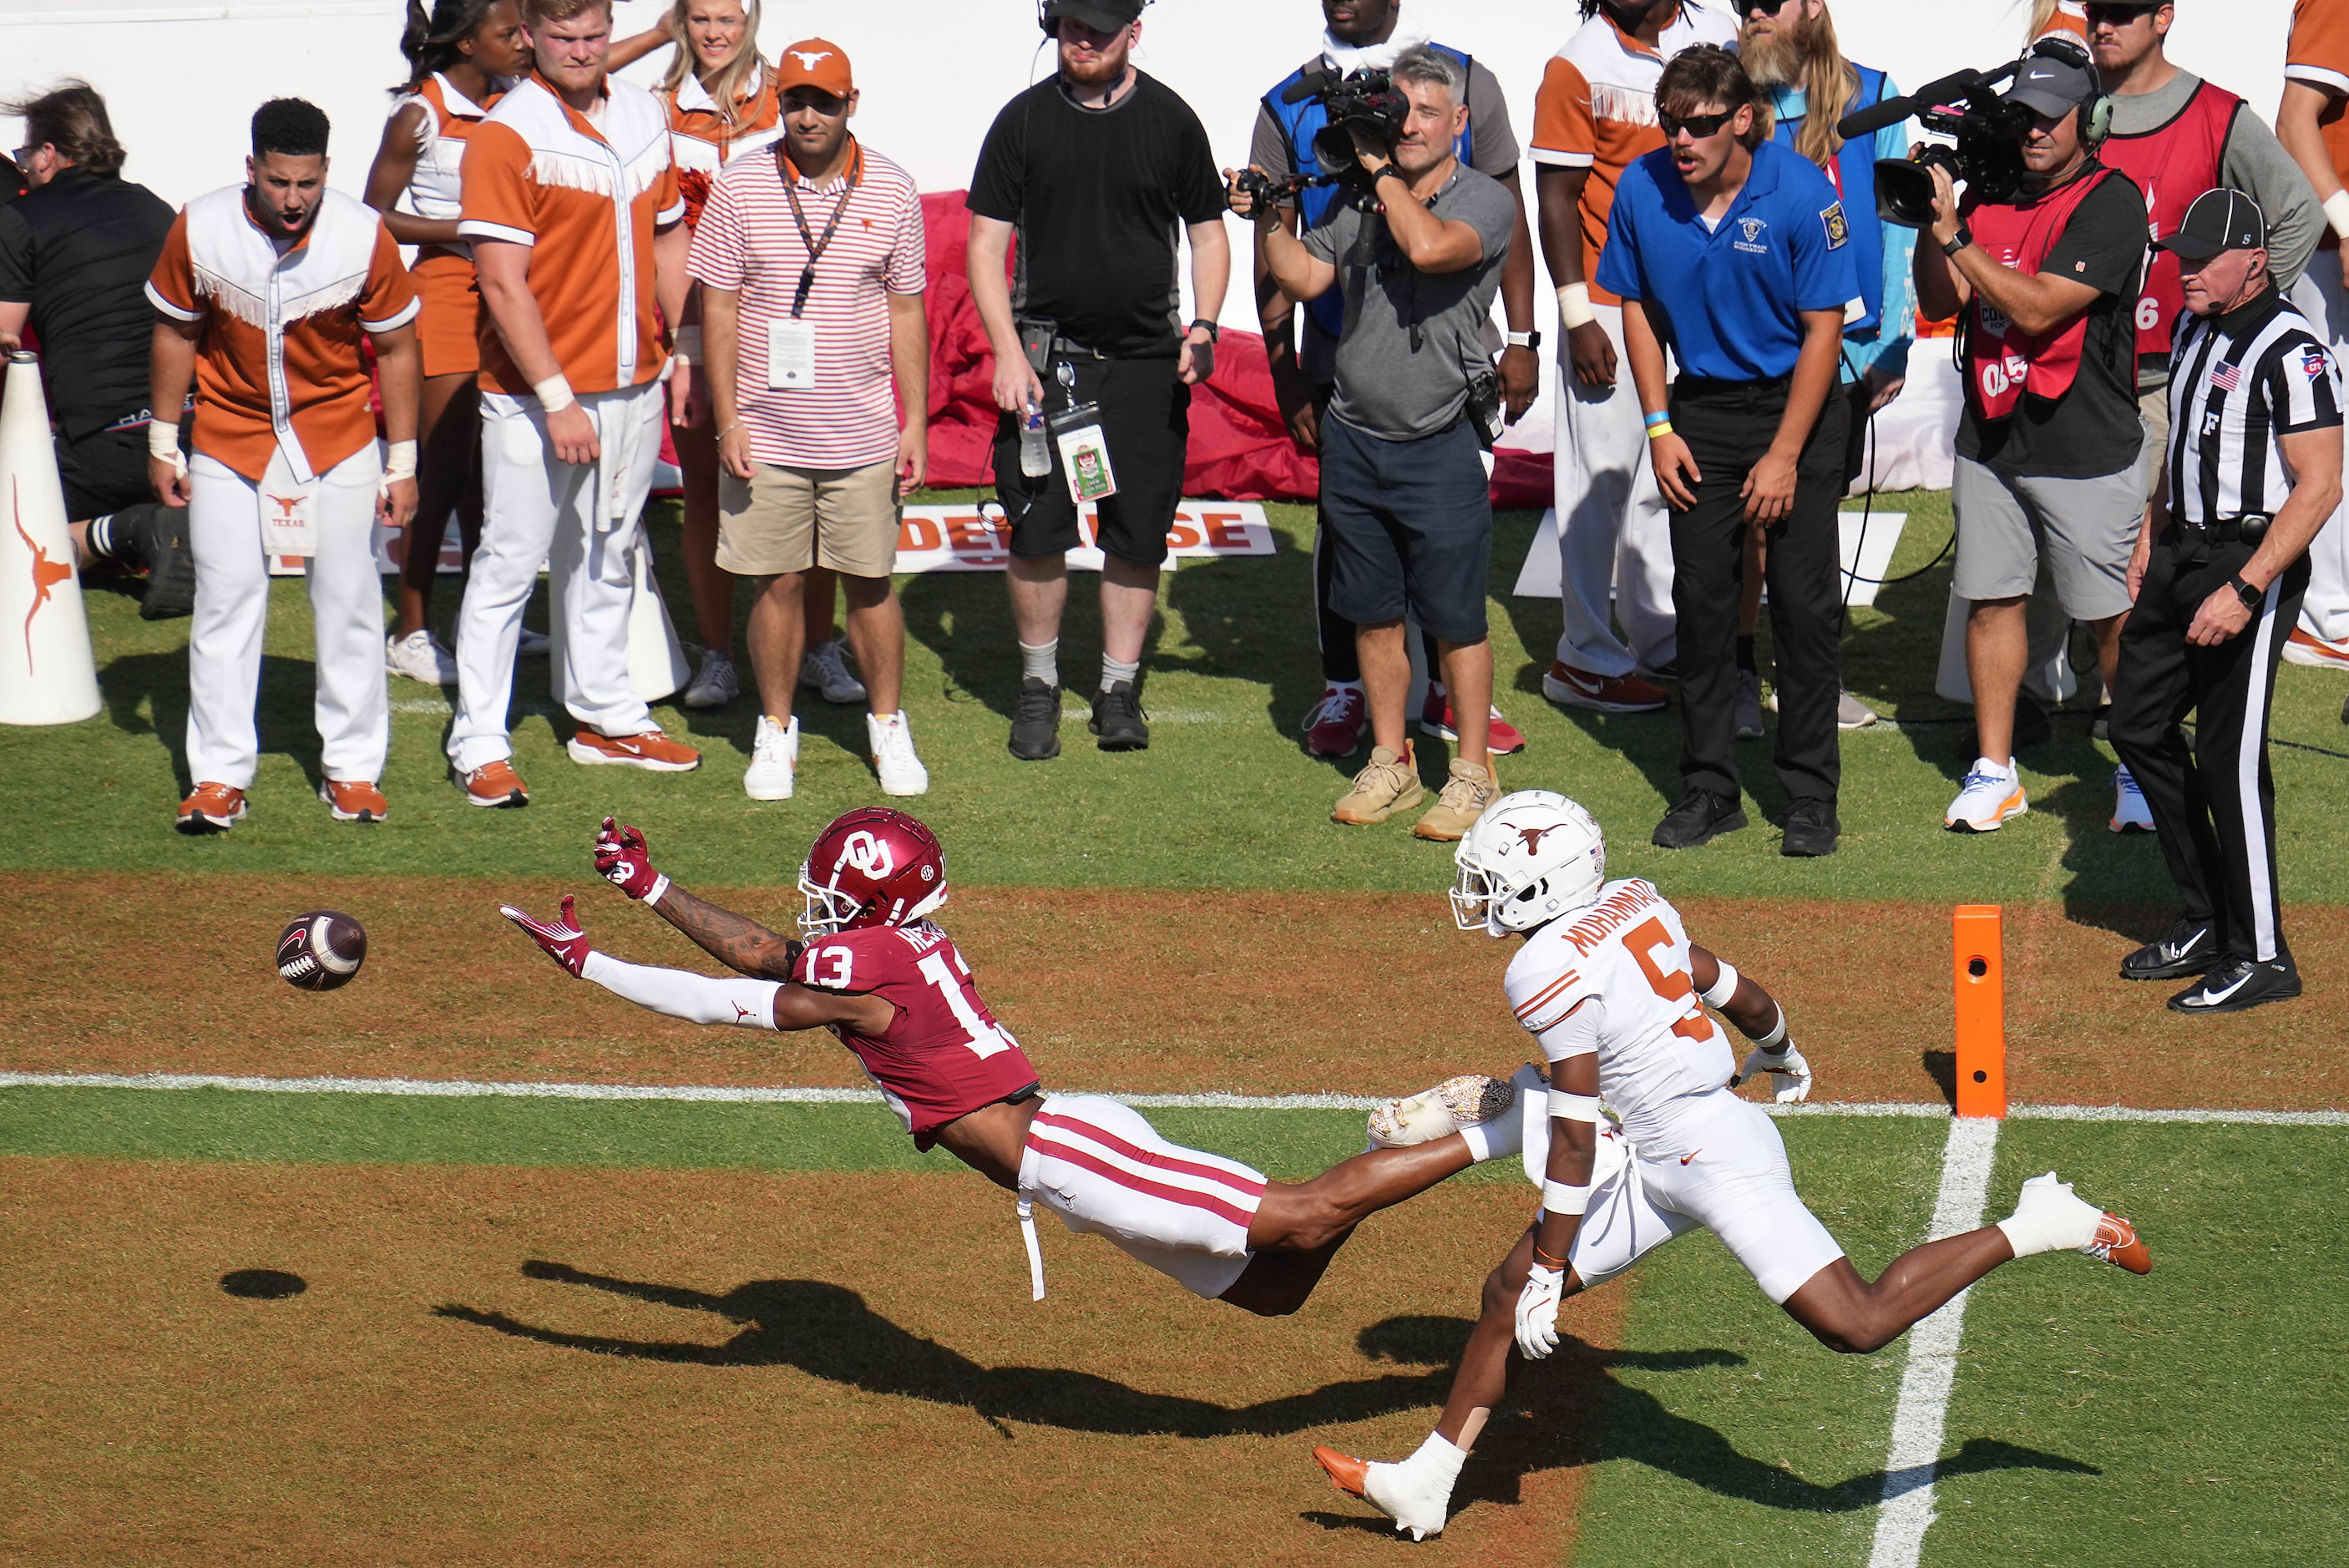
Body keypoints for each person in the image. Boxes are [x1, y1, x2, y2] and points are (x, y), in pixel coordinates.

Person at [1310, 792, 2153, 1541]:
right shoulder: (1633, 900)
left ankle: (2038, 1220)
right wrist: (1779, 1046)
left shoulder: (1542, 968)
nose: (1478, 894)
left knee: (1854, 1323)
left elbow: (1573, 1134)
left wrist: (1552, 1265)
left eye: (1491, 877)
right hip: (1660, 1147)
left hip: (1708, 1154)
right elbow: (1724, 983)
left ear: (1542, 886)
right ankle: (1425, 1484)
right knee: (1503, 1294)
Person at [500, 807, 1529, 1314]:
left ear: (876, 909)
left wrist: (603, 950)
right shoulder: (896, 948)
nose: (821, 914)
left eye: (839, 903)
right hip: (1064, 1146)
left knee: (1299, 1218)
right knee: (1272, 1290)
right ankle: (1389, 1141)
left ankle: (1499, 1124)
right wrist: (646, 895)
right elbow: (762, 958)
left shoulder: (869, 970)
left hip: (1068, 1151)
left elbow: (735, 986)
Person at [1253, 0, 1537, 761]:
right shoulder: (1357, 198)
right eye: (1398, 114)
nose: (1408, 125)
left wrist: (1375, 167)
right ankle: (1387, 760)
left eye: (1425, 114)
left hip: (1442, 426)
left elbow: (1429, 248)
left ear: (1457, 122)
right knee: (1371, 608)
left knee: (1454, 610)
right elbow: (1303, 275)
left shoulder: (1482, 197)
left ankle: (1468, 763)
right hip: (1358, 426)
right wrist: (1264, 213)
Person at [1599, 46, 1857, 857]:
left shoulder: (1803, 194)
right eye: (1670, 123)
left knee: (1802, 606)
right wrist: (1656, 427)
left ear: (1741, 119)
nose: (1681, 140)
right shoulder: (1641, 187)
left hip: (1797, 408)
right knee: (1703, 606)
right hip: (1698, 411)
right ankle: (1709, 789)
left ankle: (1809, 796)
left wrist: (1782, 455)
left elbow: (1823, 332)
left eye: (1700, 125)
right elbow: (1633, 305)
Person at [143, 98, 422, 832]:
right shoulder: (200, 226)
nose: (293, 199)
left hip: (338, 438)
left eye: (306, 183)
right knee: (226, 602)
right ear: (252, 170)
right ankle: (218, 775)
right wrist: (163, 443)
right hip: (229, 438)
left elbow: (397, 348)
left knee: (350, 601)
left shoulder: (363, 235)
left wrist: (404, 463)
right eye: (277, 183)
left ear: (326, 170)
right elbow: (175, 332)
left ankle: (353, 770)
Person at [448, 0, 701, 808]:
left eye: (594, 34)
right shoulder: (506, 131)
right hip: (533, 396)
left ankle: (604, 716)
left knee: (609, 548)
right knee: (509, 565)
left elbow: (668, 237)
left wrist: (686, 351)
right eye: (563, 37)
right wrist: (556, 397)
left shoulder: (642, 111)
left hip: (634, 382)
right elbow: (498, 280)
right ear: (529, 35)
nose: (583, 51)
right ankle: (478, 742)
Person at [967, 0, 1229, 760]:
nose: (1082, 40)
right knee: (1037, 529)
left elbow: (1208, 234)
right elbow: (986, 248)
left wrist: (1205, 325)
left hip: (1147, 363)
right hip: (1047, 364)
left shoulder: (1173, 121)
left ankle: (1117, 690)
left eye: (1100, 29)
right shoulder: (1021, 120)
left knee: (1136, 534)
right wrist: (1007, 351)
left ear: (1133, 34)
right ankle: (1039, 685)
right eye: (1072, 25)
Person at [2110, 190, 2342, 1014]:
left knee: (2228, 759)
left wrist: (2245, 589)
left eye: (2201, 259)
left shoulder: (2292, 348)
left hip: (2251, 556)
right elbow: (2177, 441)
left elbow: (2318, 486)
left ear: (2252, 260)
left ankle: (2264, 954)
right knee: (2134, 724)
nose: (2184, 273)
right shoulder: (2188, 327)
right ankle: (2207, 917)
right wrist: (2150, 531)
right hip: (2181, 547)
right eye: (2178, 257)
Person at [1915, 39, 2150, 835]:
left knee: (2109, 617)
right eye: (2024, 115)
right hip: (1992, 438)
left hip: (2084, 447)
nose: (2035, 130)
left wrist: (1957, 238)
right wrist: (1929, 216)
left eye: (2052, 115)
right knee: (1991, 600)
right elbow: (1938, 297)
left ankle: (2139, 764)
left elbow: (2041, 307)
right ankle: (1994, 767)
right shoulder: (1987, 193)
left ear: (2092, 118)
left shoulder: (2113, 202)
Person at [690, 40, 931, 801]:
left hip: (861, 431)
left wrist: (916, 419)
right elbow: (717, 307)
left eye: (824, 101)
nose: (808, 114)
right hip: (767, 432)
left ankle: (888, 729)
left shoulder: (892, 188)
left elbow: (907, 310)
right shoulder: (739, 183)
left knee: (869, 583)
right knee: (776, 582)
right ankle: (775, 731)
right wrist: (728, 421)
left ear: (850, 103)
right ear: (778, 102)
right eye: (795, 99)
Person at [1531, 0, 1739, 719]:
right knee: (1600, 480)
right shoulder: (1576, 60)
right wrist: (1574, 316)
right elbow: (1553, 197)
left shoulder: (1720, 33)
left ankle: (1658, 638)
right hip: (1606, 299)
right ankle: (1583, 658)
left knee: (1663, 476)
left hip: (1697, 289)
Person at [1735, 0, 1916, 738]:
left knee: (1811, 524)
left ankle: (1810, 679)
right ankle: (1739, 676)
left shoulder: (1872, 93)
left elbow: (1899, 229)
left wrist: (1890, 345)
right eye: (1743, 3)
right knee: (1745, 524)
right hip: (1752, 345)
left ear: (1812, 6)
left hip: (1846, 347)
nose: (1755, 14)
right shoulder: (1727, 94)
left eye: (1770, 2)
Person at [364, 0, 535, 688]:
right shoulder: (417, 115)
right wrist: (471, 228)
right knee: (445, 470)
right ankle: (408, 631)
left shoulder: (515, 107)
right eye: (508, 34)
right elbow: (374, 216)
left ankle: (480, 619)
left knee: (488, 472)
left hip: (500, 292)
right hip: (440, 295)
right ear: (466, 44)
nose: (525, 44)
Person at [0, 82, 189, 620]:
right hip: (181, 438)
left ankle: (130, 531)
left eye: (25, 155)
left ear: (49, 154)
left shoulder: (22, 217)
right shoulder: (157, 209)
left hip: (99, 448)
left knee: (14, 549)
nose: (25, 169)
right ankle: (141, 527)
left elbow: (4, 342)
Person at [2276, 0, 2349, 684]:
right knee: (2330, 430)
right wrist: (2346, 223)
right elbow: (2294, 117)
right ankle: (2325, 617)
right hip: (2331, 253)